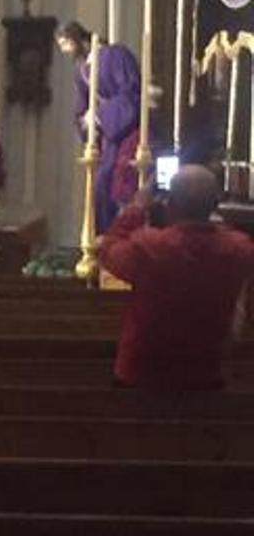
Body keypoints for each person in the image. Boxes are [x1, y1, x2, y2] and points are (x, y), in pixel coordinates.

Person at [98, 166, 254, 388]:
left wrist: (136, 209)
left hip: (141, 375)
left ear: (169, 204)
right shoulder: (238, 249)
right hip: (205, 376)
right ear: (215, 205)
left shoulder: (148, 247)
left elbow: (108, 251)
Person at [56, 18, 141, 230]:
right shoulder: (82, 68)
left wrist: (101, 114)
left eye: (65, 43)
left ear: (75, 38)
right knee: (100, 188)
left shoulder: (115, 55)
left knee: (115, 184)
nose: (65, 50)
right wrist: (84, 121)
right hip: (108, 138)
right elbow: (82, 104)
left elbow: (131, 94)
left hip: (127, 134)